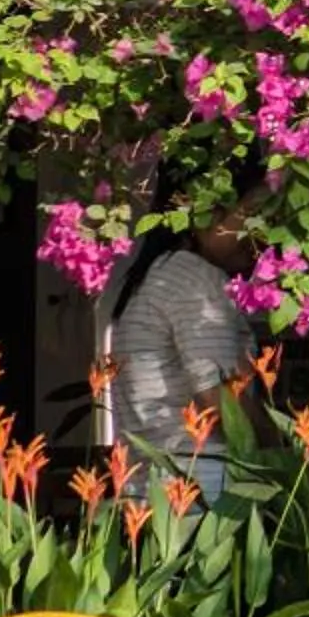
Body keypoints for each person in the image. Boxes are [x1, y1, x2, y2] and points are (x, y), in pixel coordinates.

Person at [108, 204, 255, 496]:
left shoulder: (159, 271)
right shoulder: (194, 277)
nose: (259, 229)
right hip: (203, 491)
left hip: (149, 488)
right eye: (251, 210)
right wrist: (286, 449)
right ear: (202, 213)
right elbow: (220, 399)